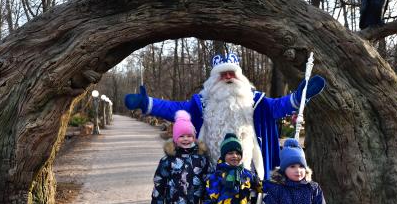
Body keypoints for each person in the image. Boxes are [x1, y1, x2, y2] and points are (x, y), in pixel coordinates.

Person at [125, 52, 326, 181]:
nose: (228, 77)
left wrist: (300, 97)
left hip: (248, 173)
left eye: (232, 73)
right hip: (213, 173)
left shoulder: (255, 101)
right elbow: (175, 110)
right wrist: (147, 103)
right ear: (214, 79)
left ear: (240, 77)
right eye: (223, 74)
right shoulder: (202, 103)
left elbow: (280, 106)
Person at [150, 110, 211, 204]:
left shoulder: (202, 160)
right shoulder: (167, 161)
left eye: (189, 135)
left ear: (194, 137)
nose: (186, 139)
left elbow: (209, 185)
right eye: (182, 136)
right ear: (176, 138)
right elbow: (159, 185)